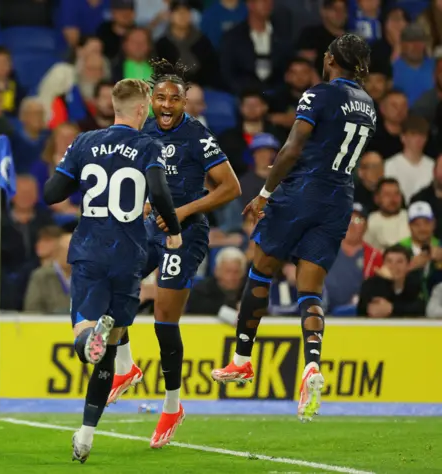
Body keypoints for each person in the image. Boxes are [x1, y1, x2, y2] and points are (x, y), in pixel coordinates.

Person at [210, 33, 375, 421]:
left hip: (303, 191)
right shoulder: (369, 106)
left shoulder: (319, 94)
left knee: (260, 269)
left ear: (331, 58)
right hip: (339, 201)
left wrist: (266, 193)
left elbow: (292, 148)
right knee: (310, 289)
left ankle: (242, 359)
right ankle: (312, 365)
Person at [42, 78, 183, 462]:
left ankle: (89, 338)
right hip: (130, 256)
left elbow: (52, 194)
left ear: (113, 106)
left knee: (85, 333)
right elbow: (159, 191)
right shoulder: (148, 145)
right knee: (112, 346)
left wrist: (70, 170)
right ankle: (85, 436)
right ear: (142, 110)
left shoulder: (85, 142)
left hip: (90, 250)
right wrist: (173, 231)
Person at [106, 59, 240, 447]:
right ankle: (126, 366)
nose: (166, 105)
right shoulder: (143, 128)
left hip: (187, 232)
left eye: (174, 99)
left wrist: (180, 211)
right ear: (150, 100)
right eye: (160, 98)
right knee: (116, 283)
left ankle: (171, 406)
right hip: (147, 227)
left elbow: (230, 188)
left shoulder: (198, 136)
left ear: (186, 102)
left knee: (164, 318)